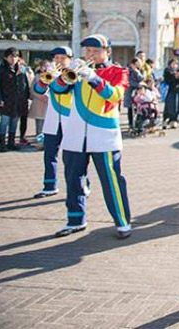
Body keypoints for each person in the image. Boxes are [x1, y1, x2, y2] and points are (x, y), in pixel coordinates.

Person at [53, 34, 131, 238]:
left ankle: (123, 222)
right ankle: (75, 219)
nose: (90, 54)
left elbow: (114, 95)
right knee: (73, 178)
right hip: (76, 133)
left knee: (111, 180)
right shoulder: (77, 71)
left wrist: (94, 78)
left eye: (95, 51)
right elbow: (58, 89)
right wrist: (66, 74)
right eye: (87, 51)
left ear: (107, 52)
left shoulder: (118, 71)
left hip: (103, 134)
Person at [32, 47, 76, 198]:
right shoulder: (51, 73)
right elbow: (38, 89)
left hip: (70, 120)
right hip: (52, 118)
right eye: (56, 58)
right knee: (49, 154)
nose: (58, 61)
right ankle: (49, 185)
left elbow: (65, 89)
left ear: (70, 59)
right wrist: (46, 78)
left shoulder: (74, 74)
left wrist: (59, 78)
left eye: (62, 58)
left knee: (73, 158)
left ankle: (81, 186)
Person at [0, 47, 30, 152]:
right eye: (11, 56)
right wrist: (0, 99)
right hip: (6, 101)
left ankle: (11, 143)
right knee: (4, 123)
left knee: (14, 123)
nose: (13, 58)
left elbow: (25, 85)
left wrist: (26, 98)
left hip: (18, 101)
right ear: (6, 57)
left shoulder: (22, 70)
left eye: (16, 56)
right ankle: (2, 144)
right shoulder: (1, 69)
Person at [162, 59, 179, 129]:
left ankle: (175, 121)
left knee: (178, 106)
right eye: (173, 63)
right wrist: (175, 76)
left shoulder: (178, 71)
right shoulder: (167, 70)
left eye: (176, 63)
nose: (175, 65)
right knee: (170, 106)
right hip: (171, 90)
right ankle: (166, 120)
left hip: (178, 90)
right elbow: (168, 80)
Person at [124, 58, 145, 132]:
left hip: (138, 93)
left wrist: (137, 71)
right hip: (131, 93)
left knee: (139, 108)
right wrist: (138, 84)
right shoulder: (129, 71)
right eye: (138, 62)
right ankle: (131, 124)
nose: (139, 64)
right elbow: (129, 82)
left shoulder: (140, 70)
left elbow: (142, 78)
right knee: (131, 109)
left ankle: (138, 124)